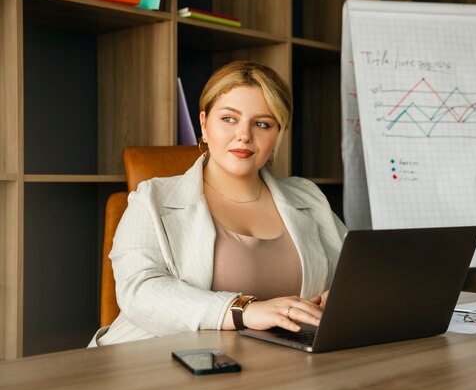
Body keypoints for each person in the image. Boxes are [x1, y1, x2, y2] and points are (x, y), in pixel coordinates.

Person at [89, 61, 347, 347]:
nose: (244, 135)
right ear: (204, 123)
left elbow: (352, 271)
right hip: (166, 364)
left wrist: (341, 296)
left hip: (283, 368)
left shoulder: (307, 197)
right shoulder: (151, 199)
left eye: (262, 124)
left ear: (277, 135)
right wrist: (243, 310)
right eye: (229, 119)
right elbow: (140, 291)